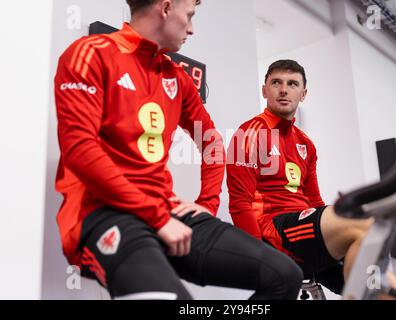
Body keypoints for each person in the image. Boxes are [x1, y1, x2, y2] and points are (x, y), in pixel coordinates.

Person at [54, 0, 303, 300]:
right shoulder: (91, 53)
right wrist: (157, 218)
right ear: (166, 7)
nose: (192, 28)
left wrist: (207, 204)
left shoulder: (177, 77)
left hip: (167, 211)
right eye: (190, 16)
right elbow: (80, 151)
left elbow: (211, 141)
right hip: (104, 212)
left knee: (285, 275)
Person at [226, 59, 396, 295]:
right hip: (275, 231)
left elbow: (314, 200)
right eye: (276, 82)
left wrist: (331, 224)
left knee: (381, 290)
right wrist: (257, 257)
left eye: (292, 84)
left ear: (303, 94)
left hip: (307, 233)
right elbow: (239, 202)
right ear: (264, 90)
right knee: (362, 221)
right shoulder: (249, 133)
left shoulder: (305, 144)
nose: (283, 90)